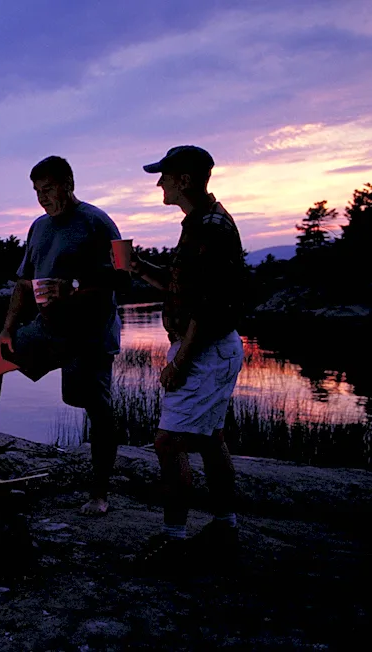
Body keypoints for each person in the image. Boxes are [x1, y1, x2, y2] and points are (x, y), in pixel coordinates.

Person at [0, 156, 127, 516]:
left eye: (47, 189)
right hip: (48, 329)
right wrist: (6, 329)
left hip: (91, 333)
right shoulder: (39, 227)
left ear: (68, 183)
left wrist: (75, 287)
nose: (42, 198)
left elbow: (122, 277)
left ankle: (99, 493)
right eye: (37, 191)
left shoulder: (98, 223)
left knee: (96, 408)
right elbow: (22, 283)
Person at [133, 145, 247, 567]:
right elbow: (186, 289)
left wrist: (180, 362)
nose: (159, 182)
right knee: (210, 439)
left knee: (167, 443)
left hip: (205, 349)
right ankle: (225, 524)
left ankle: (174, 539)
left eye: (164, 175)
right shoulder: (201, 222)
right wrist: (139, 267)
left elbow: (208, 305)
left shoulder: (209, 227)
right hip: (215, 347)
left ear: (183, 179)